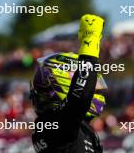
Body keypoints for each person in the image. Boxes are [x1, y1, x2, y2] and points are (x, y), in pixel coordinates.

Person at [31, 14, 108, 153]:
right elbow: (81, 97)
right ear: (65, 82)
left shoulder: (67, 125)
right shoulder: (53, 124)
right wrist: (90, 41)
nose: (96, 90)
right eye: (92, 84)